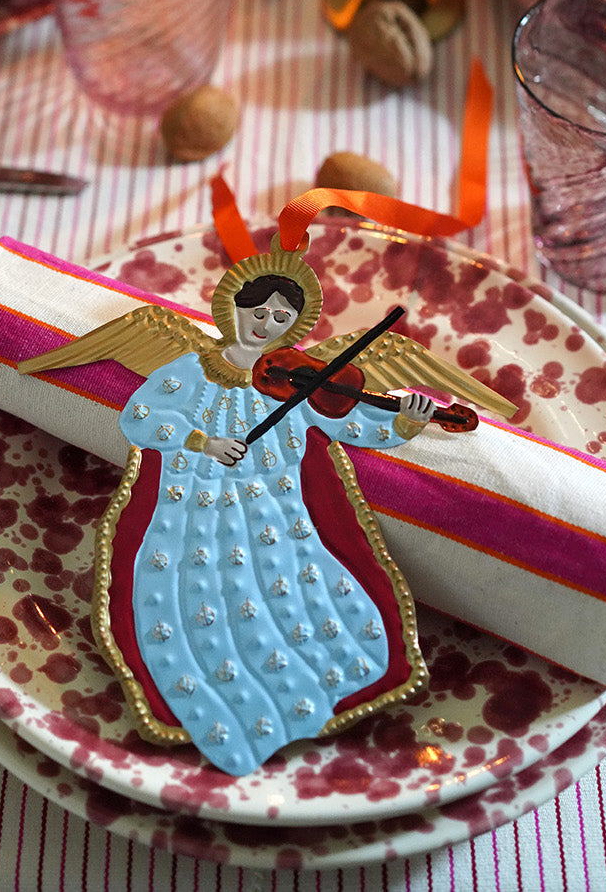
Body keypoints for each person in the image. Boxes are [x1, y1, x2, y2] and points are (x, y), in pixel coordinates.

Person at [23, 241, 436, 775]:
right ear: (234, 309)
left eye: (280, 319)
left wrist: (404, 421)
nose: (266, 325)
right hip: (197, 508)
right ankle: (226, 704)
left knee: (296, 590)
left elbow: (348, 423)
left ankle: (314, 688)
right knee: (202, 597)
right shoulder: (192, 367)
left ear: (293, 327)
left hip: (277, 510)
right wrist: (204, 443)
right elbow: (142, 418)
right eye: (258, 312)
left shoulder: (295, 379)